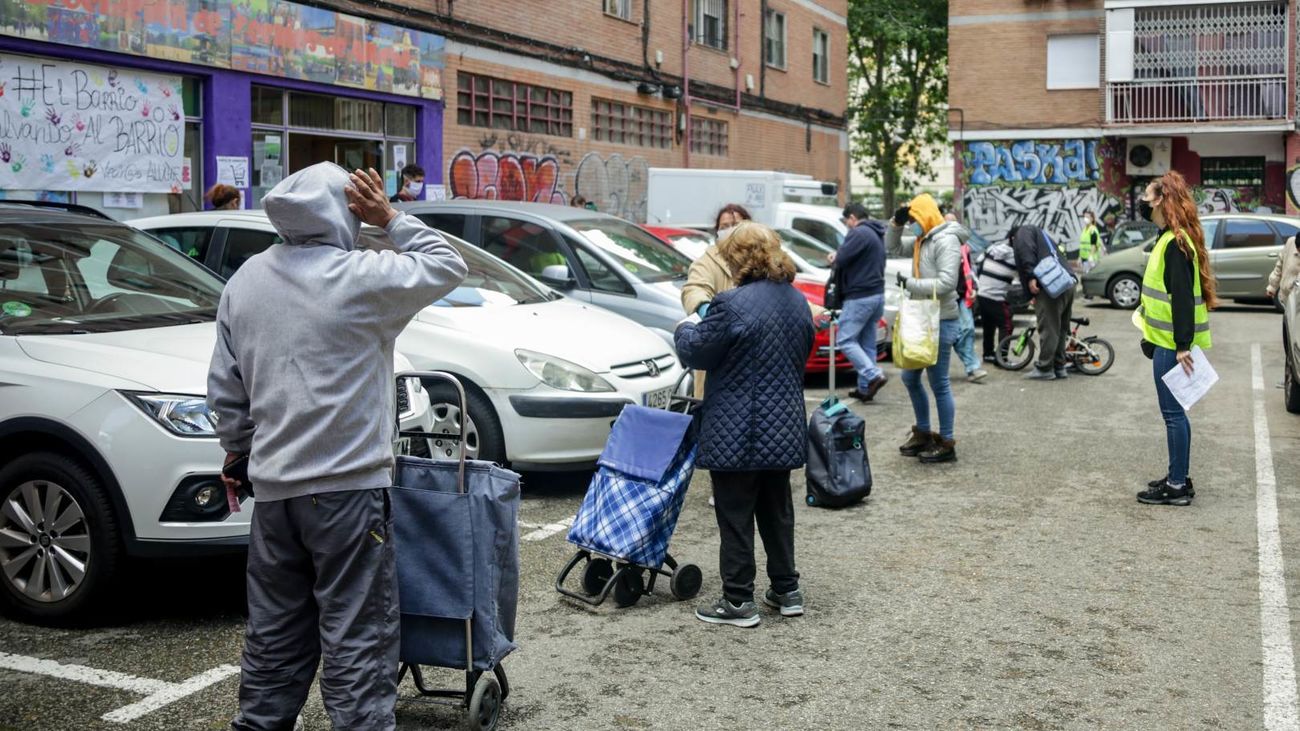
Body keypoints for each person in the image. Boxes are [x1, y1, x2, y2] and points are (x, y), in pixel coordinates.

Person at [209, 163, 467, 730]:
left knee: (275, 635)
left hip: (276, 494)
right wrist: (390, 217)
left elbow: (227, 391)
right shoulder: (361, 277)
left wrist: (240, 450)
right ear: (343, 212)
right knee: (358, 639)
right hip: (349, 490)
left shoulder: (246, 281)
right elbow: (449, 263)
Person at [675, 222, 814, 628]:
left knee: (735, 514)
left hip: (738, 427)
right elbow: (803, 349)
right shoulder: (796, 301)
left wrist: (684, 328)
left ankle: (738, 600)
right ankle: (786, 589)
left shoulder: (731, 304)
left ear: (737, 258)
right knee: (777, 510)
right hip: (783, 423)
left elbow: (698, 352)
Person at [1134, 171, 1216, 507]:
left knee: (1173, 414)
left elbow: (1182, 298)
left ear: (1161, 201)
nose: (1142, 201)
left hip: (1173, 347)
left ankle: (1177, 484)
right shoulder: (1169, 238)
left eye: (1147, 195)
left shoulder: (1174, 243)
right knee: (1175, 413)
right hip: (1165, 341)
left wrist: (1182, 345)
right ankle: (1177, 474)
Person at [887, 194, 963, 463]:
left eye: (914, 220)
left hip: (942, 319)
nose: (912, 225)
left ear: (927, 217)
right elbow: (893, 248)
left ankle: (946, 441)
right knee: (910, 378)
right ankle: (922, 433)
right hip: (923, 318)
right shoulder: (923, 239)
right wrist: (896, 224)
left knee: (939, 382)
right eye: (911, 221)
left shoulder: (946, 240)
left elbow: (946, 283)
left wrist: (910, 284)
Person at [681, 204, 753, 400]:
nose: (729, 230)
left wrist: (815, 313)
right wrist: (706, 310)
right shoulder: (708, 260)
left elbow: (781, 293)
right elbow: (694, 288)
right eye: (724, 226)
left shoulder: (760, 260)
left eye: (736, 224)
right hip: (719, 354)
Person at [834, 202, 889, 402]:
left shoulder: (858, 233)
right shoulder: (876, 233)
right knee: (867, 343)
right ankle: (865, 387)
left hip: (860, 296)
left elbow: (841, 259)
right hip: (876, 295)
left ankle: (873, 374)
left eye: (846, 221)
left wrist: (834, 256)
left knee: (845, 340)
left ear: (852, 218)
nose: (847, 225)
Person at [1012, 223, 1076, 381]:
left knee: (1049, 328)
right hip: (1067, 282)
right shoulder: (1043, 236)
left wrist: (1030, 276)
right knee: (1061, 328)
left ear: (1012, 238)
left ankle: (1045, 367)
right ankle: (1059, 366)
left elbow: (1025, 252)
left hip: (1050, 286)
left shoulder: (1022, 233)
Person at [944, 213, 988, 383]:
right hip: (945, 298)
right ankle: (968, 368)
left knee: (967, 329)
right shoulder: (939, 245)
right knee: (947, 336)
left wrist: (973, 288)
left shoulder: (964, 247)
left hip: (961, 296)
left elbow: (969, 271)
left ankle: (972, 368)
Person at [975, 235, 1018, 363]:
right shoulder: (1016, 257)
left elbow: (978, 263)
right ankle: (1002, 358)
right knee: (1007, 325)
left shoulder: (993, 249)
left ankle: (988, 354)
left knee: (989, 325)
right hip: (995, 295)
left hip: (982, 293)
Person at [1266, 234, 1300, 306]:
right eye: (1297, 248)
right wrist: (1272, 286)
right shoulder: (1290, 242)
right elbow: (1280, 265)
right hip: (1286, 297)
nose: (1297, 251)